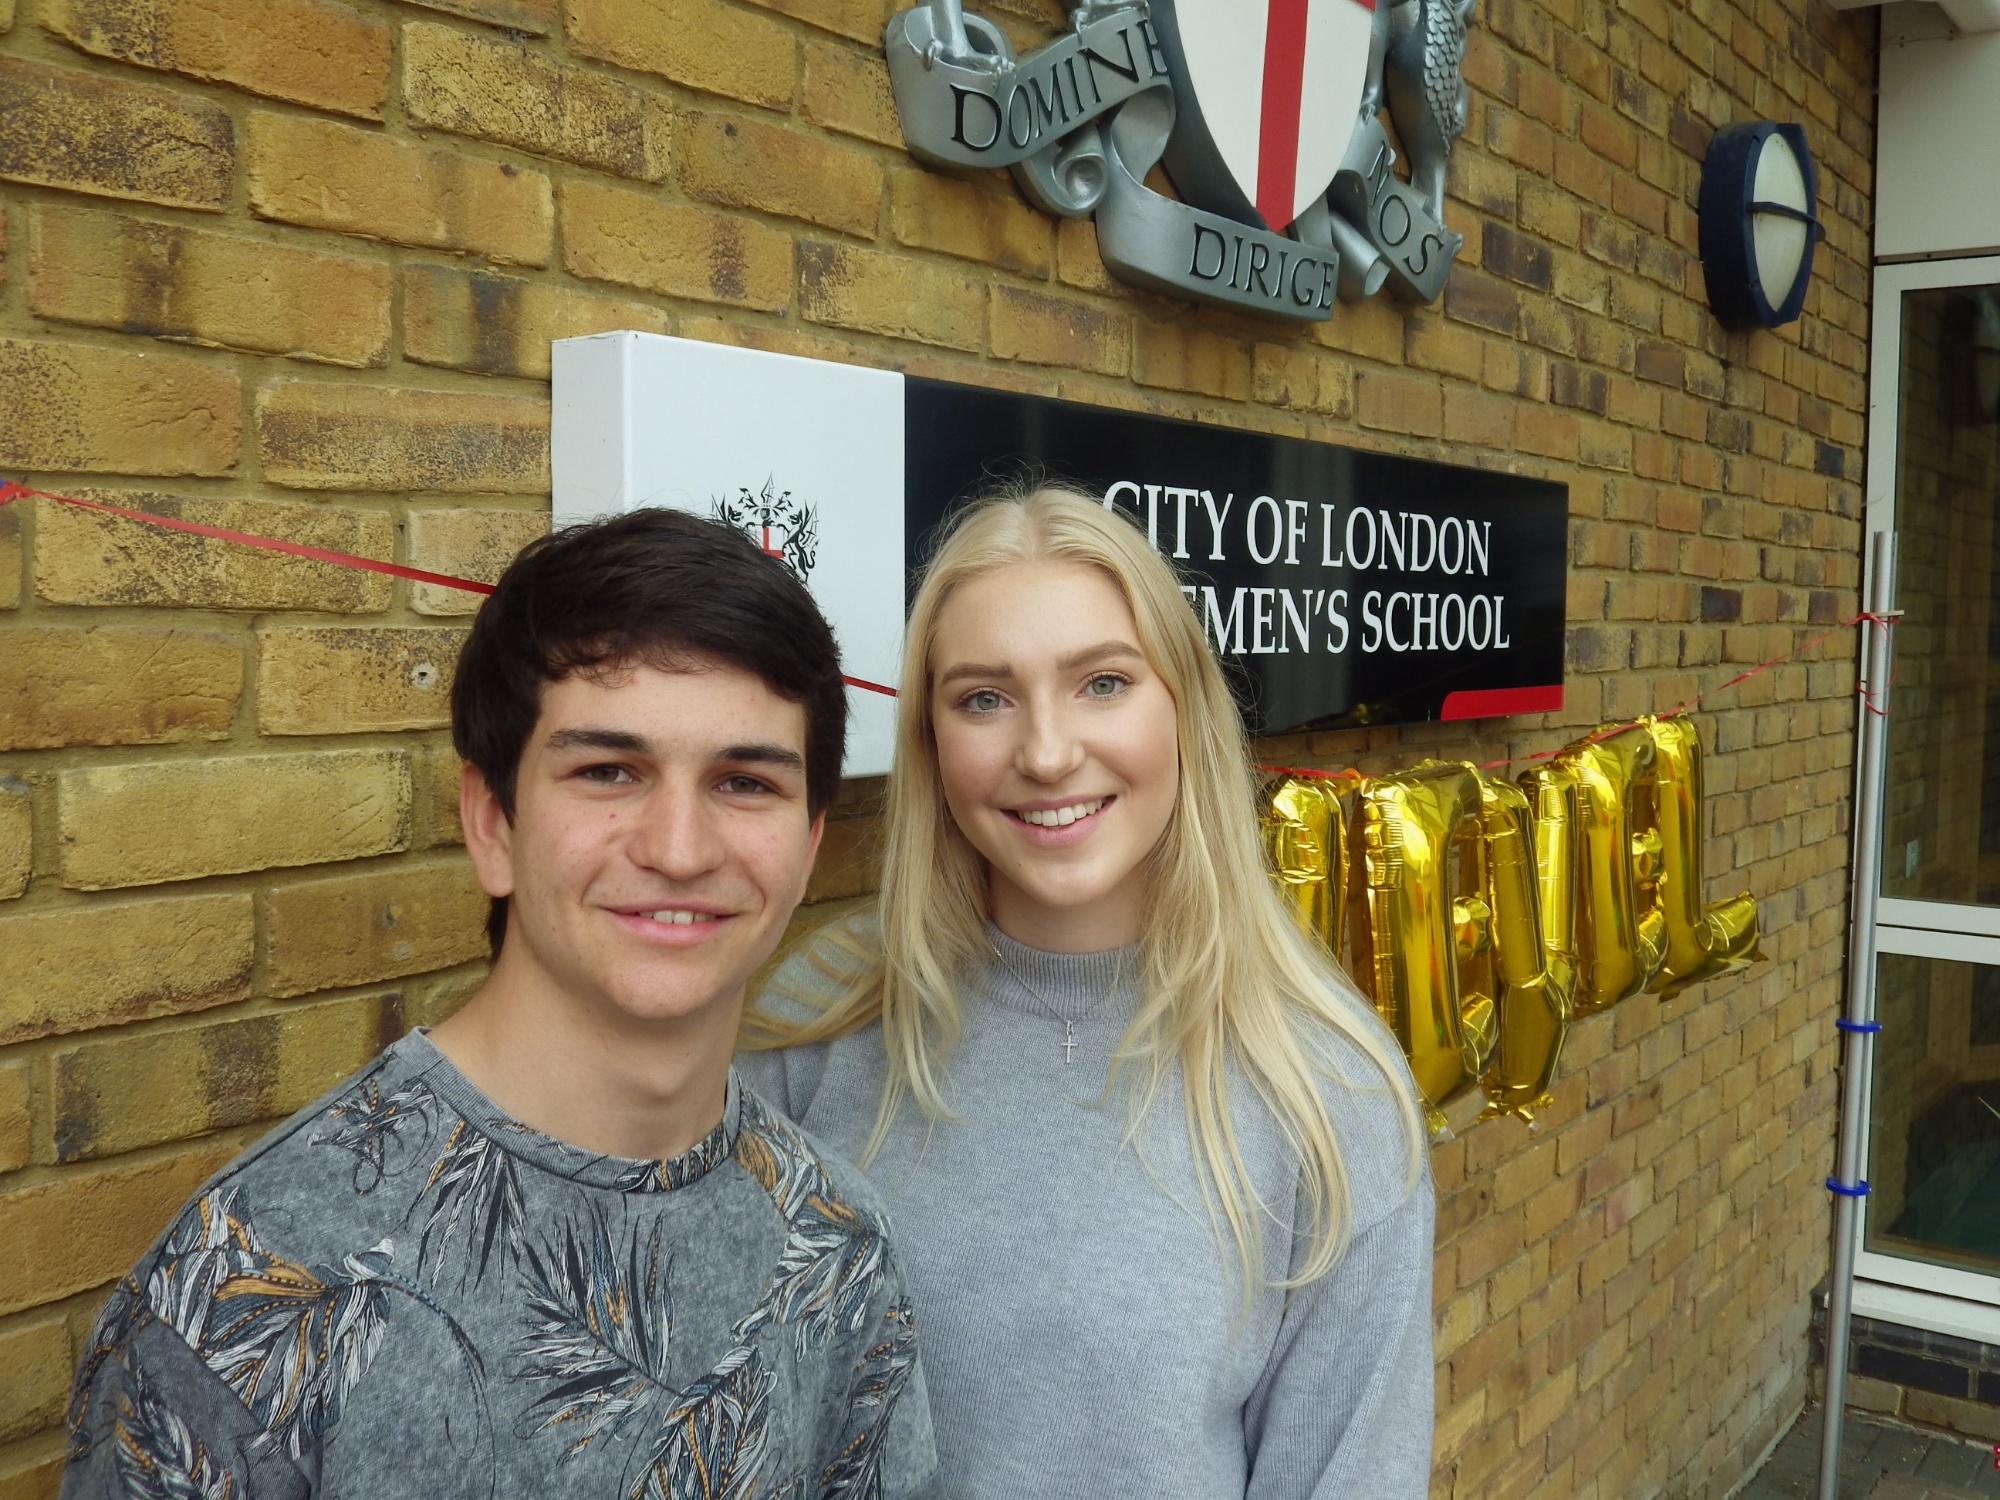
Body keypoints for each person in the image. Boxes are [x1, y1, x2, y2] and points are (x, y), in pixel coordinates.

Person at [61, 510, 937, 1500]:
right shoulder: (249, 1295)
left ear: (809, 843)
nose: (681, 848)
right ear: (491, 823)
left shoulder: (837, 1244)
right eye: (608, 771)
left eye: (743, 781)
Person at [740, 485, 1434, 1498]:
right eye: (984, 697)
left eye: (1102, 683)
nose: (1048, 752)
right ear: (931, 745)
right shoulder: (811, 1028)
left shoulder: (1328, 1091)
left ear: (1184, 709)